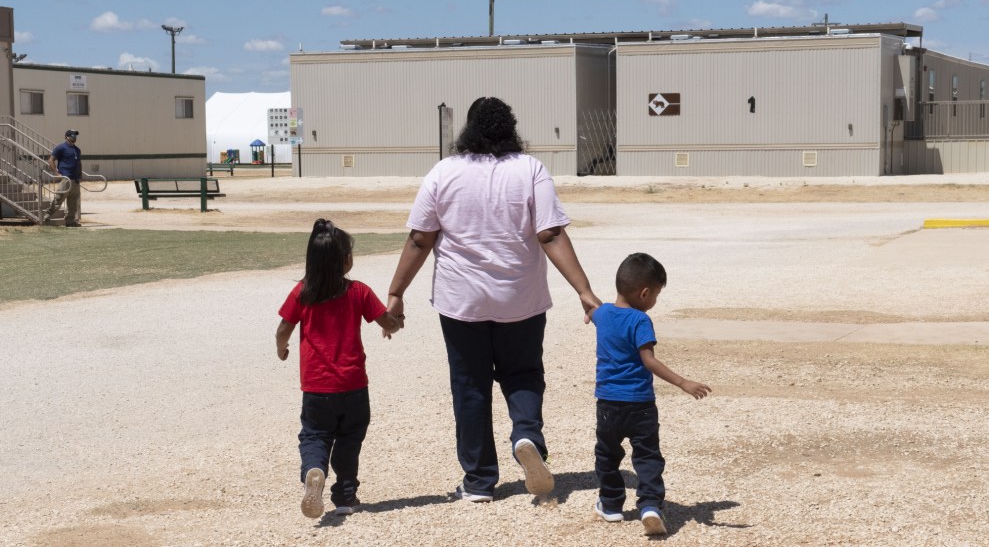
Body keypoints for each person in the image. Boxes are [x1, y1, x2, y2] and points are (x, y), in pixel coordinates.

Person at [385, 96, 601, 503]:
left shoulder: (443, 172)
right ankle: (526, 436)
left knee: (470, 385)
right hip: (519, 298)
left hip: (460, 300)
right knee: (522, 374)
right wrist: (584, 291)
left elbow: (420, 238)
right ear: (511, 127)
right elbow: (550, 233)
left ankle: (480, 481)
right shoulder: (530, 169)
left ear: (469, 129)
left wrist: (396, 293)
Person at [275, 219, 403, 519]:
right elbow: (388, 322)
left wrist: (281, 349)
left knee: (315, 436)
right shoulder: (358, 291)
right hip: (354, 385)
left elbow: (284, 327)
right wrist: (397, 323)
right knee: (349, 440)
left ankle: (314, 469)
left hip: (317, 389)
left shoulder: (302, 293)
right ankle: (345, 496)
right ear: (345, 260)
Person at [589, 253, 711, 535]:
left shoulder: (604, 313)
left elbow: (593, 313)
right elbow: (648, 360)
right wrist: (683, 382)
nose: (655, 300)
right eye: (656, 294)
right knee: (647, 457)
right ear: (644, 293)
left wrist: (589, 312)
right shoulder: (640, 321)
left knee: (607, 455)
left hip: (607, 404)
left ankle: (610, 505)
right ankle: (650, 505)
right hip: (641, 404)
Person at [45, 129, 83, 227]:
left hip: (76, 180)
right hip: (66, 179)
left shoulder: (77, 150)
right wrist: (57, 173)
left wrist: (80, 175)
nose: (74, 137)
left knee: (73, 202)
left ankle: (70, 221)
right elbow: (51, 160)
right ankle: (46, 217)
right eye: (72, 135)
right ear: (67, 137)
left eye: (75, 135)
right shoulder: (60, 148)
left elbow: (79, 162)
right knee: (58, 199)